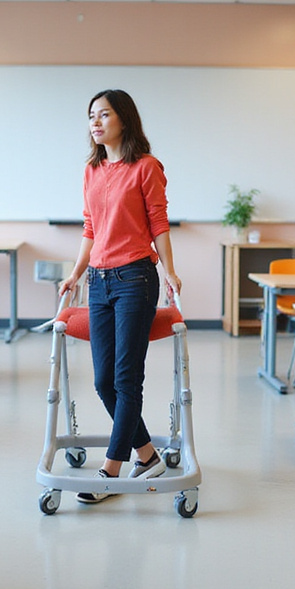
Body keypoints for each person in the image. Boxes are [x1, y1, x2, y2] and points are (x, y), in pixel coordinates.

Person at [59, 89, 181, 504]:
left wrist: (169, 270)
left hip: (135, 279)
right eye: (91, 115)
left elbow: (159, 222)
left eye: (104, 114)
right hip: (99, 281)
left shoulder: (146, 167)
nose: (95, 122)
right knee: (102, 380)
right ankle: (146, 455)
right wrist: (76, 273)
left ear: (123, 120)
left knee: (126, 379)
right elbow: (90, 228)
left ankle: (111, 469)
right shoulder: (91, 170)